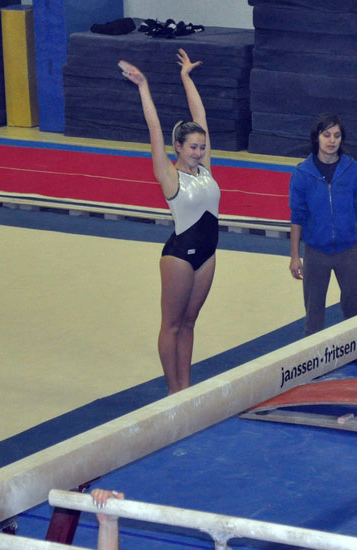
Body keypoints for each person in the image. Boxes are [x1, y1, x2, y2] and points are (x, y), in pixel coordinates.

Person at [119, 49, 220, 394]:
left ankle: (186, 388)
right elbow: (154, 128)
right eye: (192, 147)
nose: (199, 152)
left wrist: (186, 78)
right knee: (172, 324)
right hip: (178, 256)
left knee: (190, 322)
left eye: (202, 147)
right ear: (178, 147)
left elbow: (200, 115)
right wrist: (143, 86)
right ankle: (173, 390)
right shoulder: (169, 175)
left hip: (207, 255)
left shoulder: (206, 170)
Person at [289, 113, 357, 366]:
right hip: (316, 251)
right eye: (326, 135)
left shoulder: (353, 170)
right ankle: (312, 358)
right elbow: (297, 217)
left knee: (354, 304)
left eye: (336, 135)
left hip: (348, 250)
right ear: (316, 138)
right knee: (314, 309)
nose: (331, 140)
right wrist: (294, 256)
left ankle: (355, 350)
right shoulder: (303, 173)